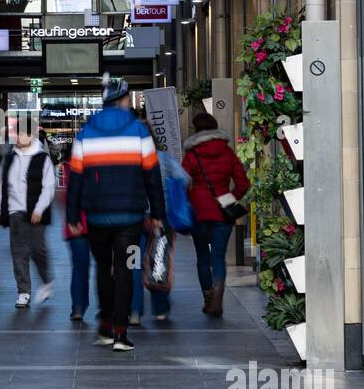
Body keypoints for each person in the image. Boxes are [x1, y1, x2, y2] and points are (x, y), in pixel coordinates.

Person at [66, 76, 166, 351]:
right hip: (131, 219)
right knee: (127, 268)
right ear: (123, 101)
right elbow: (152, 175)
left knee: (103, 268)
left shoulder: (86, 132)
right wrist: (157, 212)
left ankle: (106, 326)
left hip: (97, 218)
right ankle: (121, 332)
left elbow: (75, 178)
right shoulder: (139, 131)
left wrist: (73, 217)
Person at [182, 110, 251, 318]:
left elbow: (183, 183)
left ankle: (209, 298)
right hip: (223, 212)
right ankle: (219, 297)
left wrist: (188, 201)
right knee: (218, 256)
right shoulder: (228, 152)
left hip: (199, 211)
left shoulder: (192, 154)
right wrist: (229, 197)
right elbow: (243, 183)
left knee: (202, 256)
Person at [0, 122, 56, 308]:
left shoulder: (43, 158)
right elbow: (1, 185)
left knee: (38, 250)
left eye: (20, 134)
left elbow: (49, 187)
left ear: (31, 136)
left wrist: (39, 209)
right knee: (19, 252)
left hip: (36, 212)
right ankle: (23, 292)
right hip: (15, 211)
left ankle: (46, 281)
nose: (17, 138)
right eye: (16, 134)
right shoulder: (9, 158)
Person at [130, 148, 190, 324]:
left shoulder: (126, 157)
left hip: (131, 221)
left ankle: (134, 309)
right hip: (160, 220)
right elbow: (184, 178)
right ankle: (161, 308)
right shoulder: (162, 158)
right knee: (159, 261)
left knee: (132, 262)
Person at [60, 147, 95, 322]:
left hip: (76, 224)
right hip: (96, 221)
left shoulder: (69, 166)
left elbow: (67, 196)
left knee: (80, 267)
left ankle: (78, 308)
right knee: (105, 267)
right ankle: (104, 308)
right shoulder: (97, 164)